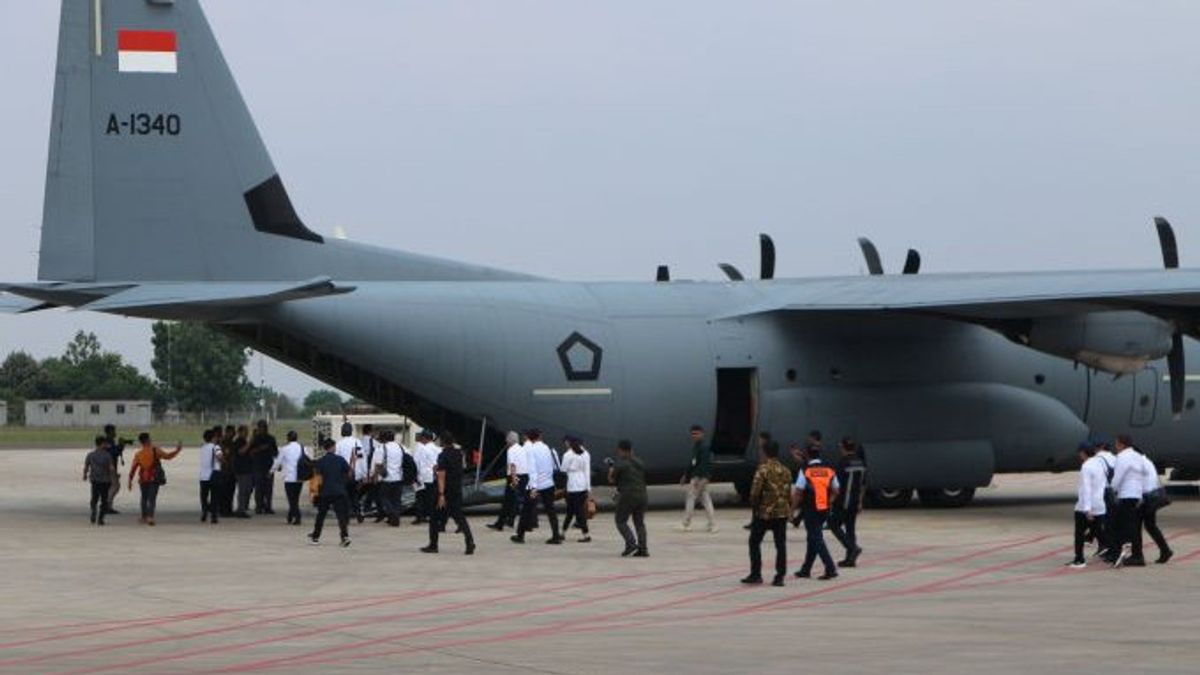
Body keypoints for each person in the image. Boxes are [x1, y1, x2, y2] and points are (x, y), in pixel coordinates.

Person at [743, 440, 792, 586]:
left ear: (764, 452)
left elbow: (754, 493)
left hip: (764, 513)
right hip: (781, 513)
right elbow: (788, 492)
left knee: (754, 542)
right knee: (780, 545)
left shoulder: (762, 470)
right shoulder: (786, 470)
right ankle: (780, 576)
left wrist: (754, 505)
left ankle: (756, 573)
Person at [421, 432, 476, 555]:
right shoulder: (458, 454)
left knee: (434, 518)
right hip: (456, 489)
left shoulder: (443, 455)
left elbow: (441, 476)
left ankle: (433, 545)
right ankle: (470, 541)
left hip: (445, 491)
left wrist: (441, 494)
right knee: (459, 517)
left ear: (443, 442)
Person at [791, 444, 840, 580]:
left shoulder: (806, 471)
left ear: (807, 455)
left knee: (816, 538)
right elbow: (836, 490)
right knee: (812, 538)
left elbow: (798, 493)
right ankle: (806, 569)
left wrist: (791, 511)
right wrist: (829, 501)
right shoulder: (829, 470)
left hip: (811, 509)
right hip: (824, 509)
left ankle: (830, 568)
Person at [512, 429, 562, 545]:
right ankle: (556, 535)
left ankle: (520, 535)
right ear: (539, 437)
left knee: (526, 509)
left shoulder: (531, 450)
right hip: (548, 484)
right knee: (551, 510)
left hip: (535, 485)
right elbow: (553, 466)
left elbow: (530, 468)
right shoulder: (547, 448)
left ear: (529, 438)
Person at [1067, 442, 1109, 568]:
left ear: (1083, 453)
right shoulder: (1100, 463)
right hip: (1099, 504)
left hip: (1086, 506)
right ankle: (1113, 549)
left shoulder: (1086, 466)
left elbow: (1086, 488)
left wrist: (1087, 509)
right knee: (1098, 531)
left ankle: (1079, 559)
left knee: (1079, 534)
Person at [127, 433, 183, 526]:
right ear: (148, 440)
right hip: (153, 478)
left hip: (143, 479)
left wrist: (130, 480)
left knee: (144, 498)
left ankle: (144, 517)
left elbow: (133, 468)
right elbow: (168, 456)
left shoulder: (138, 454)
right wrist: (177, 450)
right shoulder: (155, 450)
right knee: (152, 498)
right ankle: (150, 517)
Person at [1110, 434, 1147, 567]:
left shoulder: (1122, 457)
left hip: (1126, 494)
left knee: (1117, 525)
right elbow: (1143, 475)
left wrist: (1111, 489)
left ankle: (1121, 551)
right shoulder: (1138, 456)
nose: (1115, 446)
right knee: (1132, 525)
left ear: (1121, 444)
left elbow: (1118, 476)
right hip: (1136, 494)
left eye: (1116, 443)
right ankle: (1136, 555)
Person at [309, 436, 352, 547]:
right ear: (333, 447)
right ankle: (345, 536)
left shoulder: (321, 461)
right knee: (341, 516)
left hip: (325, 492)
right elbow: (349, 473)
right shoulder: (340, 459)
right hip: (339, 491)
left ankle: (315, 537)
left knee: (321, 515)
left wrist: (314, 492)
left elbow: (317, 478)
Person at [830, 437, 866, 567]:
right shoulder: (860, 462)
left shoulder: (843, 463)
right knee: (850, 529)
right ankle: (850, 559)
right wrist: (860, 502)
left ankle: (852, 548)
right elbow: (863, 484)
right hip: (855, 501)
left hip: (843, 501)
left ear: (843, 447)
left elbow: (837, 485)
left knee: (833, 524)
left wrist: (831, 500)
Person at [610, 440, 648, 557]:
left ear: (620, 450)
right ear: (631, 449)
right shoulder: (640, 461)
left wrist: (611, 470)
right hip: (642, 494)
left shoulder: (620, 463)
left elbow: (611, 479)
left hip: (628, 495)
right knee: (639, 523)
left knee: (620, 521)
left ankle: (631, 543)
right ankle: (643, 548)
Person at [679, 425, 717, 533]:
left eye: (696, 433)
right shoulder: (697, 446)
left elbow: (706, 464)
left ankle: (686, 523)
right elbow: (692, 462)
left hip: (699, 478)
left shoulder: (704, 448)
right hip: (696, 477)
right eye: (693, 434)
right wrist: (686, 475)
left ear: (702, 434)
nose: (694, 436)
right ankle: (712, 524)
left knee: (691, 498)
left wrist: (704, 479)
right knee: (705, 500)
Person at [1140, 451, 1173, 564]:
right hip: (1152, 498)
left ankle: (1137, 555)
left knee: (1139, 526)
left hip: (1147, 498)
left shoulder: (1140, 463)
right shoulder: (1148, 462)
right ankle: (1165, 550)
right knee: (1150, 526)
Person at [488, 431, 523, 531]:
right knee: (513, 500)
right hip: (520, 476)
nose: (505, 441)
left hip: (513, 477)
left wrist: (513, 479)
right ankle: (508, 521)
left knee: (508, 500)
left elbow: (512, 465)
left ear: (510, 440)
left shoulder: (511, 450)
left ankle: (500, 524)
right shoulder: (521, 449)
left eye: (506, 440)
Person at [560, 437, 593, 543]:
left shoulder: (568, 455)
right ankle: (563, 532)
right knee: (576, 510)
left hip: (573, 484)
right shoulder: (585, 454)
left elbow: (563, 469)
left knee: (574, 511)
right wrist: (588, 487)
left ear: (569, 443)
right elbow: (587, 471)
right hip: (583, 483)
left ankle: (584, 534)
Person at [272, 430, 309, 526]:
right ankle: (290, 515)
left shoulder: (285, 449)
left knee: (291, 499)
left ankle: (297, 517)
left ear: (288, 438)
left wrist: (271, 471)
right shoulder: (302, 448)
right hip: (300, 477)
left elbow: (278, 462)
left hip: (289, 478)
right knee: (295, 498)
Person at [372, 429, 406, 526]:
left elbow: (378, 464)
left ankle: (393, 515)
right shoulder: (400, 447)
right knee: (396, 500)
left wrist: (375, 476)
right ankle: (395, 518)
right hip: (399, 477)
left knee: (384, 497)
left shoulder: (382, 448)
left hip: (387, 478)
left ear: (384, 438)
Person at [248, 420, 279, 515]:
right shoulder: (254, 439)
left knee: (268, 488)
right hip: (257, 466)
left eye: (264, 427)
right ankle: (259, 506)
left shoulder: (271, 438)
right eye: (261, 427)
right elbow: (250, 452)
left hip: (268, 466)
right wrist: (260, 449)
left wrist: (277, 463)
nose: (263, 429)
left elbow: (276, 452)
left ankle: (268, 506)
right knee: (259, 488)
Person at [83, 435, 115, 525]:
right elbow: (111, 468)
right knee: (104, 500)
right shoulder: (107, 455)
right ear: (102, 444)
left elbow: (86, 466)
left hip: (94, 480)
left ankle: (93, 510)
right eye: (105, 443)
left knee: (94, 498)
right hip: (105, 481)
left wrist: (85, 475)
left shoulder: (90, 455)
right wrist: (113, 478)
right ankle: (100, 518)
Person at [333, 423, 362, 520]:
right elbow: (361, 458)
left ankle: (348, 514)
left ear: (342, 431)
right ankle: (358, 512)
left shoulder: (339, 444)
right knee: (355, 494)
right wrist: (363, 473)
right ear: (351, 431)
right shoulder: (358, 442)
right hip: (356, 473)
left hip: (344, 474)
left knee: (345, 495)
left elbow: (336, 460)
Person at [414, 430, 441, 526]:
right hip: (434, 476)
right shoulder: (438, 449)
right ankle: (432, 515)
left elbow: (416, 463)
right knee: (432, 497)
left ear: (424, 438)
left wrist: (415, 476)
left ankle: (420, 516)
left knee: (420, 497)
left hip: (423, 476)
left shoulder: (422, 449)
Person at [101, 425, 128, 515]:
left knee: (111, 487)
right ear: (109, 432)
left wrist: (120, 446)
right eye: (113, 431)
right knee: (115, 486)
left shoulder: (109, 441)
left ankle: (108, 506)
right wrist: (120, 446)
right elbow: (113, 453)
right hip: (109, 467)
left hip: (110, 467)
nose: (115, 432)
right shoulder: (108, 441)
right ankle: (107, 505)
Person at [197, 429, 222, 525]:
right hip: (214, 474)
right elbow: (219, 457)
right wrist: (223, 460)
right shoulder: (216, 447)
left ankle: (204, 512)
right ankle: (214, 516)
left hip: (203, 476)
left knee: (204, 496)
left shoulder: (202, 447)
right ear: (213, 438)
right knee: (214, 497)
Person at [231, 425, 254, 518]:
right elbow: (241, 451)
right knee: (243, 490)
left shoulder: (244, 441)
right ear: (240, 432)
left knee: (247, 490)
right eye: (245, 431)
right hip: (241, 470)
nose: (247, 433)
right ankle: (241, 509)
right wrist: (249, 444)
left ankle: (243, 507)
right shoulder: (238, 442)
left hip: (247, 469)